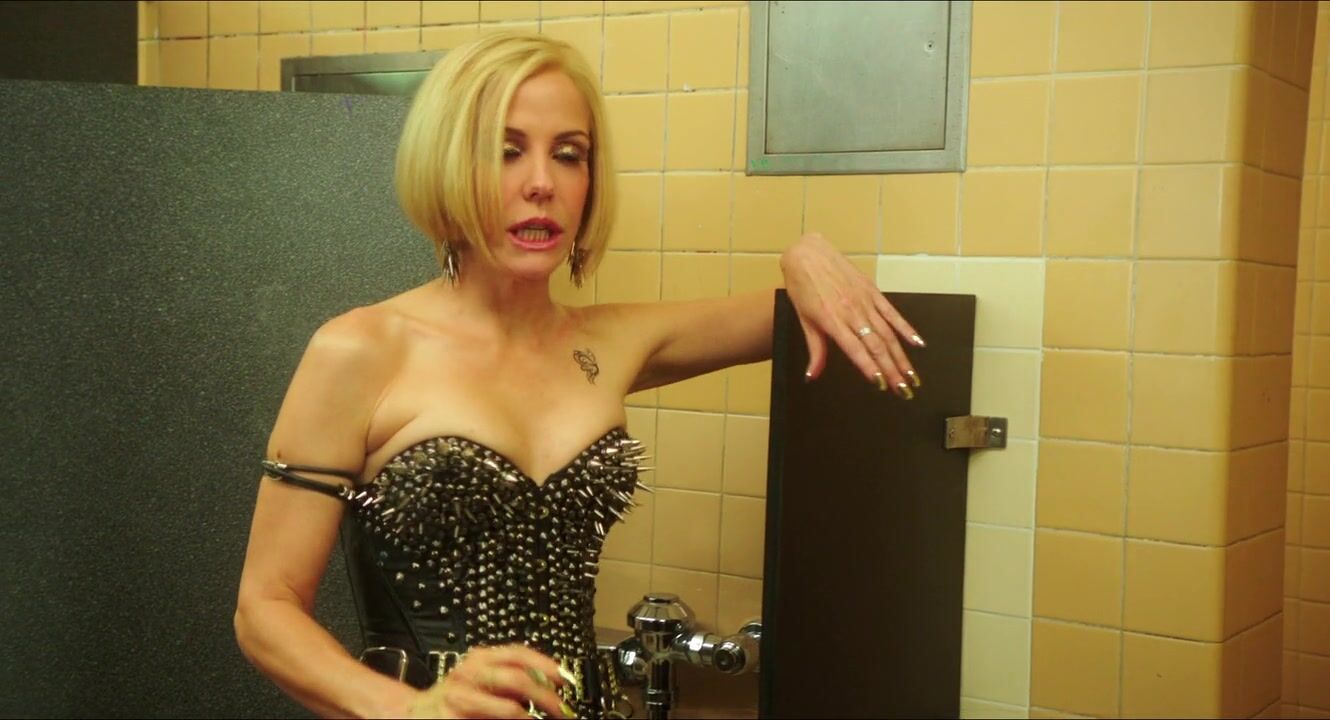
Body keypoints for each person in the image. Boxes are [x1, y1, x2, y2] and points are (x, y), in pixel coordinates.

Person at [233, 31, 924, 720]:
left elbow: (799, 313)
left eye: (569, 154)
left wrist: (806, 254)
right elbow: (266, 608)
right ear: (445, 165)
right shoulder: (361, 350)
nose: (541, 183)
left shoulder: (610, 342)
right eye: (506, 150)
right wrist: (407, 711)